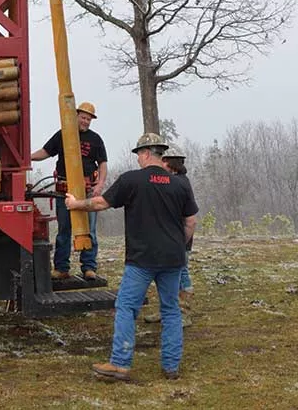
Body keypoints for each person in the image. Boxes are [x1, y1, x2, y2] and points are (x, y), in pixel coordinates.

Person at [65, 132, 198, 382]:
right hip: (173, 259)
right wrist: (178, 245)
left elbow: (101, 203)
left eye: (139, 155)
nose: (138, 159)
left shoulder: (132, 180)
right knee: (171, 310)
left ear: (146, 153)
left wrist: (76, 204)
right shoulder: (180, 183)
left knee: (126, 307)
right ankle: (171, 367)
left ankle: (120, 364)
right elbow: (190, 221)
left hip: (142, 259)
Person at [31, 102, 108, 280]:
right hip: (64, 190)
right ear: (75, 116)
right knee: (64, 229)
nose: (85, 122)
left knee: (90, 230)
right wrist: (28, 157)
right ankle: (61, 268)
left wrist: (100, 184)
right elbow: (45, 151)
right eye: (83, 118)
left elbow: (103, 163)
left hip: (88, 190)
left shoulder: (95, 139)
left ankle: (89, 267)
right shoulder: (63, 135)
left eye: (88, 119)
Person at [143, 145, 195, 326]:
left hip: (179, 239)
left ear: (170, 162)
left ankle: (183, 312)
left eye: (163, 160)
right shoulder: (173, 180)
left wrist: (180, 242)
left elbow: (189, 219)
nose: (160, 163)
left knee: (182, 274)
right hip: (171, 239)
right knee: (168, 276)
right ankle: (167, 310)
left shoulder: (180, 182)